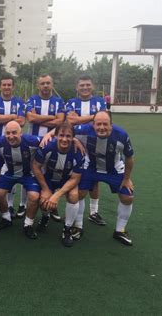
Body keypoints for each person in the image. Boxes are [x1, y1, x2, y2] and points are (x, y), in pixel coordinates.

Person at [42, 111, 135, 246]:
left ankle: (120, 230)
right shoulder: (85, 130)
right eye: (98, 124)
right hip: (90, 167)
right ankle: (78, 226)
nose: (101, 127)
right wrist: (49, 134)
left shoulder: (121, 135)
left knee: (128, 197)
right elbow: (65, 130)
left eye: (105, 124)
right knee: (79, 193)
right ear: (93, 124)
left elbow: (129, 158)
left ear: (111, 125)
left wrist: (126, 179)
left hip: (113, 169)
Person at [0, 121, 41, 235]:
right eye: (8, 133)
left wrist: (74, 140)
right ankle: (6, 218)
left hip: (28, 173)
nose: (11, 136)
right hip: (9, 172)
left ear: (21, 133)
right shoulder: (0, 141)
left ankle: (28, 224)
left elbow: (52, 139)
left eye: (14, 133)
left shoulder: (31, 140)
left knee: (34, 196)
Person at [32, 122, 84, 247]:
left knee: (73, 196)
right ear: (55, 135)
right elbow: (36, 167)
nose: (64, 139)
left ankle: (67, 229)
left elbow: (75, 179)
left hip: (67, 179)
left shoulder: (78, 152)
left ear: (73, 138)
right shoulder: (47, 147)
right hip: (49, 178)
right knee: (43, 199)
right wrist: (45, 189)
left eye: (68, 136)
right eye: (61, 135)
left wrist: (57, 195)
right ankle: (45, 217)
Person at [66, 74, 107, 226]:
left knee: (95, 179)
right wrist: (93, 117)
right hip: (75, 144)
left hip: (96, 144)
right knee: (78, 178)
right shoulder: (71, 102)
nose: (85, 87)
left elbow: (102, 119)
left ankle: (94, 211)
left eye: (87, 85)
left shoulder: (100, 101)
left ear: (92, 86)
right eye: (82, 85)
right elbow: (70, 121)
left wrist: (80, 119)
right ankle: (75, 212)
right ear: (77, 87)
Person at [26, 74, 65, 222]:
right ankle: (24, 205)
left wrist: (40, 117)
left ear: (52, 84)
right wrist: (52, 117)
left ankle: (52, 206)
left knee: (51, 173)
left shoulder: (58, 101)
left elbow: (60, 121)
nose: (46, 86)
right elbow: (30, 118)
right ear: (38, 85)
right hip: (32, 142)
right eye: (42, 83)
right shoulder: (32, 100)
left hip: (52, 143)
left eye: (48, 83)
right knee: (29, 172)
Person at [0, 75, 26, 218]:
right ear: (0, 86)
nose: (6, 87)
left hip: (14, 145)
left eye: (9, 85)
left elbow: (21, 121)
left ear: (13, 86)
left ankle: (9, 205)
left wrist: (2, 116)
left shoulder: (19, 102)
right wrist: (12, 116)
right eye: (4, 85)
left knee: (12, 172)